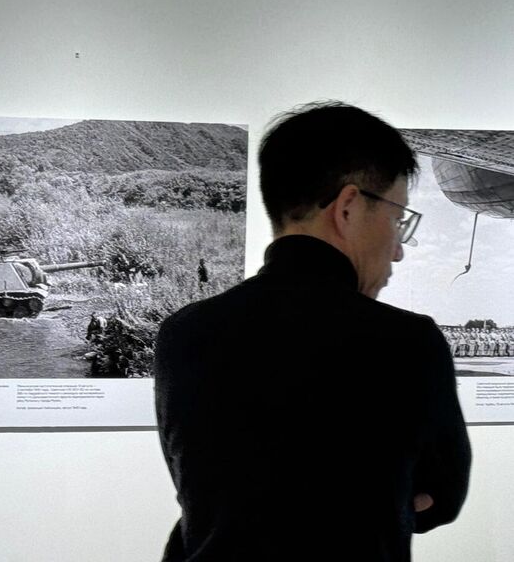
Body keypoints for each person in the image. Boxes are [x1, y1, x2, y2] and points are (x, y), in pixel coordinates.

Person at [153, 101, 471, 561]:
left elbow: (204, 492)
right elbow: (438, 502)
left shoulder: (183, 333)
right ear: (348, 207)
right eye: (398, 218)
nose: (399, 250)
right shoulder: (407, 343)